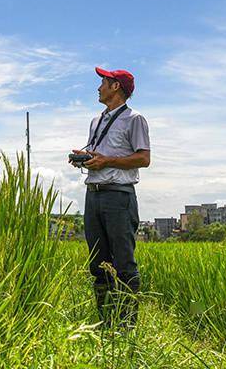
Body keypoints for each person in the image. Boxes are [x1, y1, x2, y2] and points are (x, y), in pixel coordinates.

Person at [69, 66, 151, 329]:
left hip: (119, 196)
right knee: (98, 263)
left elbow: (143, 158)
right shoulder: (96, 121)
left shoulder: (134, 119)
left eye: (103, 82)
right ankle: (106, 323)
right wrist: (83, 156)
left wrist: (107, 161)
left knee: (124, 263)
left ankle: (126, 326)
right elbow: (99, 154)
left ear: (116, 87)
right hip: (93, 195)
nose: (98, 87)